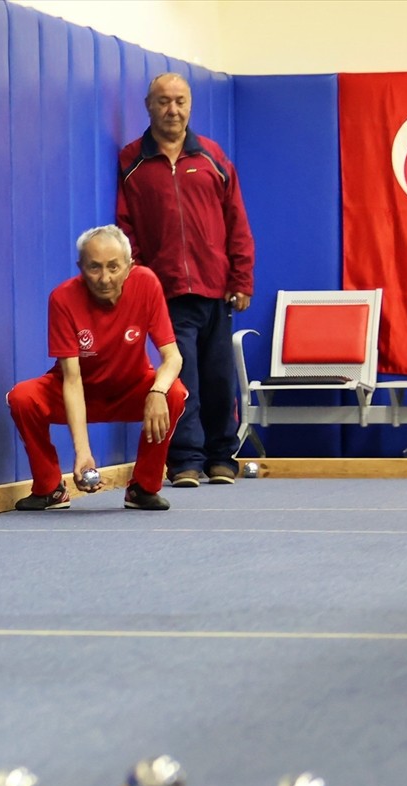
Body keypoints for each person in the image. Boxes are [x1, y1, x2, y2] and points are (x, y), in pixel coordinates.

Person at [116, 73, 255, 486]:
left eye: (180, 101)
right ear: (149, 106)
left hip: (217, 290)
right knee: (182, 378)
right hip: (167, 293)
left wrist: (241, 278)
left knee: (219, 379)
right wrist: (142, 280)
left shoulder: (212, 156)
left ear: (190, 105)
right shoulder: (132, 161)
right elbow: (126, 229)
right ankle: (186, 461)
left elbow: (236, 220)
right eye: (163, 101)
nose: (172, 110)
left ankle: (221, 457)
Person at [7, 225, 187, 512]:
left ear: (129, 266)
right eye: (94, 267)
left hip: (130, 390)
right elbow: (72, 379)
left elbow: (173, 357)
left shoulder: (147, 283)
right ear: (81, 267)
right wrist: (83, 453)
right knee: (22, 397)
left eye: (114, 267)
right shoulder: (63, 298)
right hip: (79, 392)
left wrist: (157, 391)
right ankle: (50, 488)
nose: (105, 278)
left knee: (174, 392)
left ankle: (143, 488)